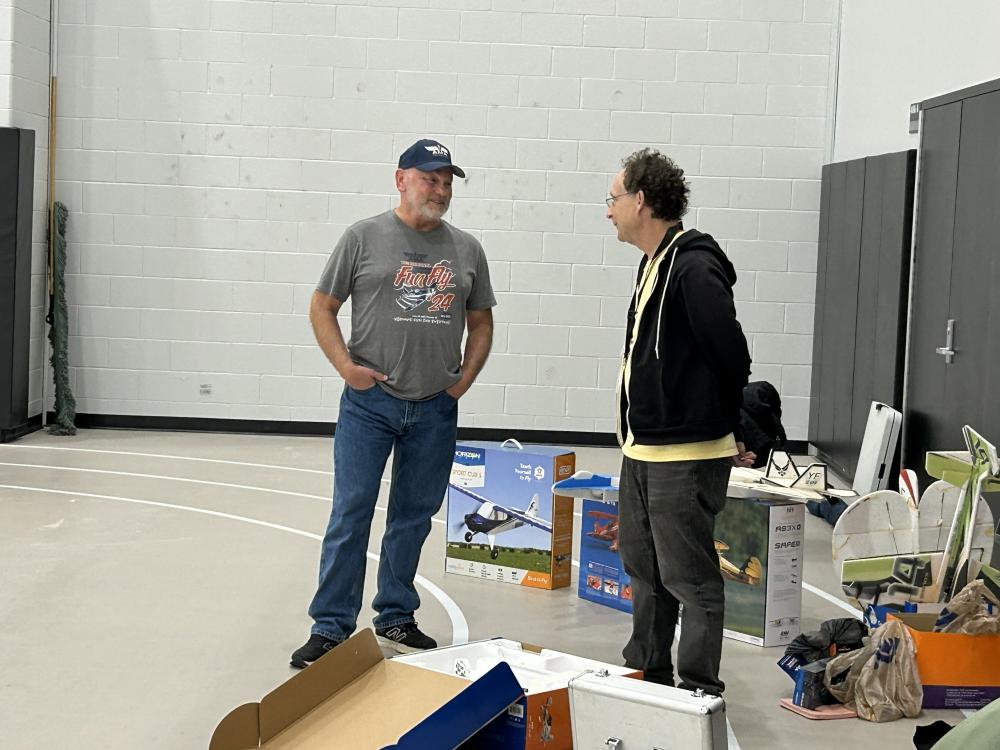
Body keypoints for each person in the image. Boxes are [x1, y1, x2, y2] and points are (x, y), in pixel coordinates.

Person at [291, 139, 495, 668]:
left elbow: (481, 323)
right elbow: (322, 306)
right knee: (351, 513)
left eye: (447, 182)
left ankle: (396, 616)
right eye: (430, 178)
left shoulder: (467, 249)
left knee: (413, 517)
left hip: (435, 408)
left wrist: (462, 381)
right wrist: (346, 368)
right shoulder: (362, 237)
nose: (440, 190)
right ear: (401, 179)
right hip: (370, 404)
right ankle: (331, 627)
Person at [606, 148, 754, 695]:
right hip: (643, 449)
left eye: (613, 198)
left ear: (641, 200)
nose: (608, 210)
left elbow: (731, 354)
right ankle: (648, 673)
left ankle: (697, 689)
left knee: (689, 578)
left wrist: (728, 422)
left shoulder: (693, 265)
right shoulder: (653, 262)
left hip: (685, 454)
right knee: (644, 570)